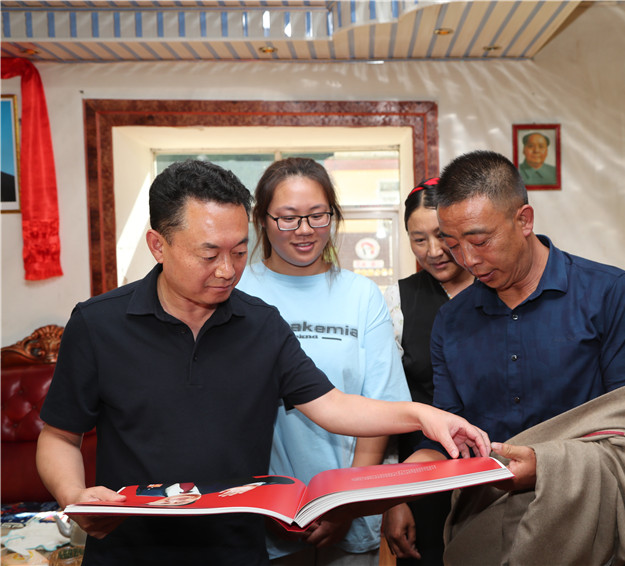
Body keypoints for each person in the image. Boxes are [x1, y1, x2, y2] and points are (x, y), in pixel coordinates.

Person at [35, 159, 490, 566]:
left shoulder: (261, 323)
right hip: (129, 548)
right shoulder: (98, 324)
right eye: (209, 254)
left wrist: (423, 415)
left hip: (236, 548)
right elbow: (59, 436)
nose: (227, 270)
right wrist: (74, 496)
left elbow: (333, 406)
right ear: (158, 245)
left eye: (238, 251)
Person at [407, 151, 625, 565]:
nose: (468, 260)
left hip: (595, 527)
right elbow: (450, 433)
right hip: (487, 527)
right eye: (454, 245)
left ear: (524, 220)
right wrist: (403, 479)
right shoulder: (452, 320)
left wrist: (548, 466)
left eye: (480, 241)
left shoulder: (610, 295)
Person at [236, 157, 411, 565]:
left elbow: (380, 405)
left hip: (350, 509)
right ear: (262, 220)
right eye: (288, 218)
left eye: (317, 215)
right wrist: (267, 503)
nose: (305, 230)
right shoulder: (239, 291)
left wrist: (344, 505)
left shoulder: (361, 295)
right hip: (260, 512)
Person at [381, 178, 474, 564]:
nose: (433, 251)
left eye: (442, 236)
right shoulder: (397, 302)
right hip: (421, 477)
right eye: (419, 240)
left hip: (495, 473)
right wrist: (393, 497)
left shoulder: (500, 290)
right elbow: (385, 402)